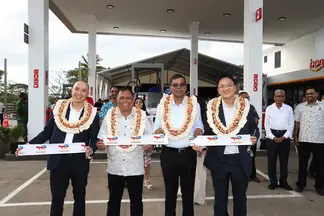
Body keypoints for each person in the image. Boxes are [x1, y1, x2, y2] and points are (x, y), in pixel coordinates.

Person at [17, 81, 99, 216]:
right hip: (58, 161)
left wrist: (92, 148)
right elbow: (47, 132)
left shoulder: (92, 114)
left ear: (87, 93)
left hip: (79, 161)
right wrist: (28, 147)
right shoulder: (59, 108)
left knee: (79, 198)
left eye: (83, 90)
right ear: (72, 90)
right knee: (57, 198)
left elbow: (94, 138)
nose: (79, 93)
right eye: (76, 89)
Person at [193, 75, 258, 216]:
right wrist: (200, 143)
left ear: (235, 87)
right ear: (218, 89)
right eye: (221, 86)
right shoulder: (211, 108)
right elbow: (208, 130)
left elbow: (255, 128)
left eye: (229, 85)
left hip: (240, 160)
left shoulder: (247, 107)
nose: (225, 88)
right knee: (220, 200)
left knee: (240, 199)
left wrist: (254, 137)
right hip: (219, 159)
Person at [96, 87, 153, 216]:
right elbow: (102, 137)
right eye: (121, 98)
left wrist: (149, 145)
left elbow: (149, 137)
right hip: (115, 166)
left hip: (135, 166)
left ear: (133, 100)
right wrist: (101, 144)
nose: (125, 101)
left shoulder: (142, 116)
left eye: (128, 98)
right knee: (114, 202)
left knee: (137, 202)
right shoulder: (109, 115)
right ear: (116, 100)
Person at [154, 74, 204, 216]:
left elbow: (199, 125)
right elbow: (156, 126)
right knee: (170, 192)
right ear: (170, 87)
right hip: (168, 153)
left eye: (181, 84)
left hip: (188, 153)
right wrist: (158, 130)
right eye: (175, 85)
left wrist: (198, 131)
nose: (178, 87)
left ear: (186, 87)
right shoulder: (162, 105)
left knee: (188, 192)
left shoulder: (194, 105)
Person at [294, 87, 324, 196]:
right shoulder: (300, 107)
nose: (309, 95)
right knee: (302, 164)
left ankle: (320, 187)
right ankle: (301, 185)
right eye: (307, 94)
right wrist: (296, 136)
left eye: (312, 93)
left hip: (320, 140)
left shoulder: (323, 106)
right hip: (304, 139)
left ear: (317, 94)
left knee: (321, 165)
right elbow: (297, 123)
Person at [264, 89, 294, 191]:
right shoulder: (269, 109)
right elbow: (266, 125)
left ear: (284, 98)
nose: (279, 98)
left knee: (284, 161)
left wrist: (284, 136)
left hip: (284, 136)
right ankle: (273, 182)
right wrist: (273, 137)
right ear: (274, 98)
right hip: (272, 136)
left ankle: (283, 182)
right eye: (277, 96)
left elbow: (291, 124)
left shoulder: (289, 109)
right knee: (271, 161)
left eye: (281, 96)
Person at [239, 91, 261, 183]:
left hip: (251, 137)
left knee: (251, 156)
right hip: (239, 138)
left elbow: (256, 120)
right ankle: (243, 176)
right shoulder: (236, 109)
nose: (246, 100)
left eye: (247, 98)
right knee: (240, 158)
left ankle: (253, 175)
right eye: (244, 98)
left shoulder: (252, 108)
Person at [134, 97, 154, 190]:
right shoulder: (131, 115)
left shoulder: (148, 116)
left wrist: (150, 143)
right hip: (134, 143)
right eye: (136, 102)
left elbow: (151, 129)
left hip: (146, 141)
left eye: (140, 102)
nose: (138, 104)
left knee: (146, 162)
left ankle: (146, 180)